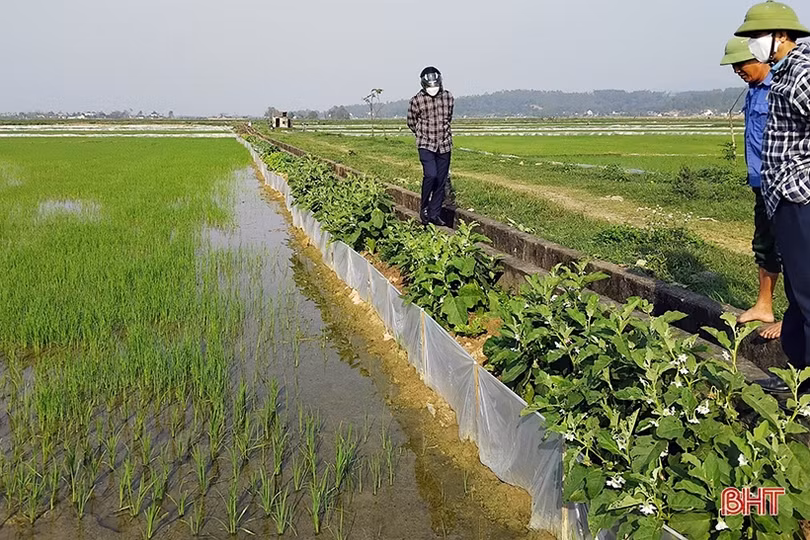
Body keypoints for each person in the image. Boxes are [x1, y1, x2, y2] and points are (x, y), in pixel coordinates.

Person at [735, 0, 810, 392]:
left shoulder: (803, 72)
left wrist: (801, 178)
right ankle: (798, 378)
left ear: (781, 35)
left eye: (756, 36)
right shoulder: (784, 72)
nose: (752, 44)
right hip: (782, 196)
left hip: (799, 197)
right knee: (798, 290)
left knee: (808, 292)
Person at [720, 38, 782, 340]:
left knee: (794, 249)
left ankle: (798, 316)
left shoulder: (781, 87)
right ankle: (764, 305)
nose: (737, 71)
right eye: (733, 66)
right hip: (762, 183)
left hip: (785, 183)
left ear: (760, 57)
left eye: (741, 64)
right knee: (765, 245)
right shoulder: (754, 90)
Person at [407, 66, 454, 226]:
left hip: (444, 144)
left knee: (441, 180)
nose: (433, 89)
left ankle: (435, 214)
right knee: (431, 175)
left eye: (435, 85)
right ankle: (424, 208)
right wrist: (422, 134)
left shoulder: (448, 97)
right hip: (426, 143)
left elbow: (448, 118)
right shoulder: (416, 100)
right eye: (429, 86)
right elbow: (411, 122)